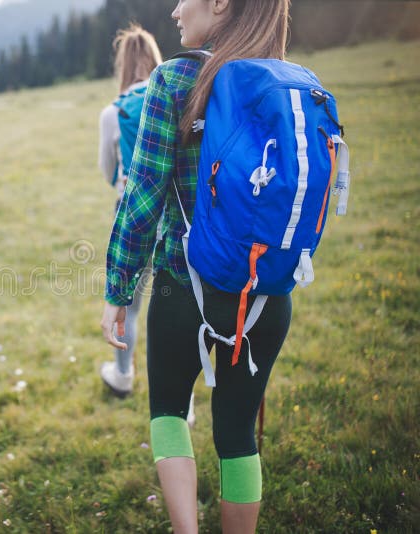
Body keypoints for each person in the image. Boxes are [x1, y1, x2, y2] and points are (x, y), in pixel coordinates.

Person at [100, 0, 292, 532]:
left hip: (186, 287)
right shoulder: (285, 81)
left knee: (167, 411)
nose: (176, 10)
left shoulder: (177, 78)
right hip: (266, 295)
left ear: (220, 4)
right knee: (237, 435)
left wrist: (118, 290)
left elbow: (142, 196)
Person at [96, 24, 161, 398]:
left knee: (129, 306)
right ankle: (182, 400)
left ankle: (123, 375)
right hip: (177, 214)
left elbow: (108, 171)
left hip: (132, 215)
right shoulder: (174, 99)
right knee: (176, 305)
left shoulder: (114, 112)